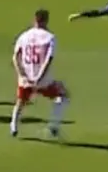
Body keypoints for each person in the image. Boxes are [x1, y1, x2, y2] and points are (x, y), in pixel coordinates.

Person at [10, 9, 69, 140]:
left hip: (26, 77)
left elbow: (15, 57)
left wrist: (21, 74)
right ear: (46, 20)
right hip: (43, 79)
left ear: (34, 20)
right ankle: (54, 125)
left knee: (20, 101)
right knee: (63, 95)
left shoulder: (23, 36)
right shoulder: (50, 37)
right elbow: (49, 59)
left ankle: (13, 125)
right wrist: (40, 77)